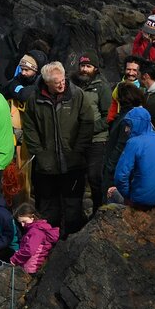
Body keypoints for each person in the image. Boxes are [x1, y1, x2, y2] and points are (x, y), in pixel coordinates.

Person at [21, 61, 97, 233]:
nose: (62, 84)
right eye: (57, 82)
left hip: (73, 162)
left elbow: (87, 123)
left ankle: (72, 242)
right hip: (46, 165)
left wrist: (78, 149)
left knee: (73, 207)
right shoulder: (34, 100)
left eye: (63, 80)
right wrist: (39, 153)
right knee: (49, 209)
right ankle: (49, 244)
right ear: (47, 83)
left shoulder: (77, 95)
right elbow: (29, 127)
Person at [108, 106, 155, 209]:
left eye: (129, 126)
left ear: (137, 124)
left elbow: (120, 177)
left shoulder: (134, 143)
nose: (126, 130)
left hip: (140, 201)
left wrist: (128, 196)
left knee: (111, 193)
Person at [72, 52, 113, 214]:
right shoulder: (73, 85)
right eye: (82, 66)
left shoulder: (102, 87)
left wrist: (89, 129)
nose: (84, 69)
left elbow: (108, 116)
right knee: (76, 178)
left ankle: (98, 211)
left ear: (95, 68)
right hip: (76, 140)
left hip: (97, 140)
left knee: (95, 177)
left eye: (88, 66)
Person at [9, 203, 59, 273]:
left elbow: (29, 250)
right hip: (31, 266)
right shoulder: (34, 229)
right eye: (20, 223)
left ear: (32, 217)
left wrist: (15, 259)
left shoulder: (36, 231)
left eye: (24, 221)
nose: (22, 225)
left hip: (32, 268)